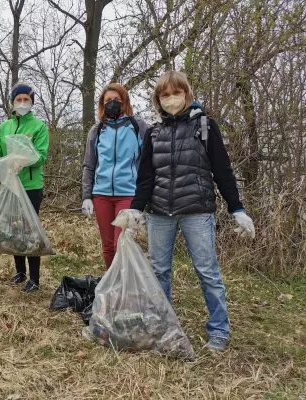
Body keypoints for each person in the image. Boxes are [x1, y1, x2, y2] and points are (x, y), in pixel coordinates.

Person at [125, 71, 255, 352]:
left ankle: (219, 330)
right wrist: (135, 209)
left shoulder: (205, 126)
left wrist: (237, 209)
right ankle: (163, 326)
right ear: (158, 99)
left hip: (197, 210)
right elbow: (146, 177)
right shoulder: (153, 133)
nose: (171, 99)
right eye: (165, 94)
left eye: (176, 92)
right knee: (159, 271)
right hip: (159, 212)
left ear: (186, 94)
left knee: (207, 271)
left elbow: (222, 170)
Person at [0, 83, 49, 293]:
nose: (22, 103)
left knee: (30, 231)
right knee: (13, 230)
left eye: (25, 99)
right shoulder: (5, 127)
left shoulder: (39, 126)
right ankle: (20, 273)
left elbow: (41, 156)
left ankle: (35, 279)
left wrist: (24, 160)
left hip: (30, 186)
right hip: (10, 184)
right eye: (18, 100)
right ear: (12, 102)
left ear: (31, 102)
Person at [81, 83, 148, 268]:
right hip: (101, 195)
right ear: (102, 104)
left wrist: (144, 194)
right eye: (108, 100)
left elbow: (147, 162)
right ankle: (112, 287)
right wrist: (86, 196)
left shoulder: (138, 126)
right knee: (108, 246)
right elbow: (89, 165)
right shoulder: (97, 130)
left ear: (124, 101)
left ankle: (125, 285)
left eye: (117, 100)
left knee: (123, 245)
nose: (112, 103)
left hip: (128, 194)